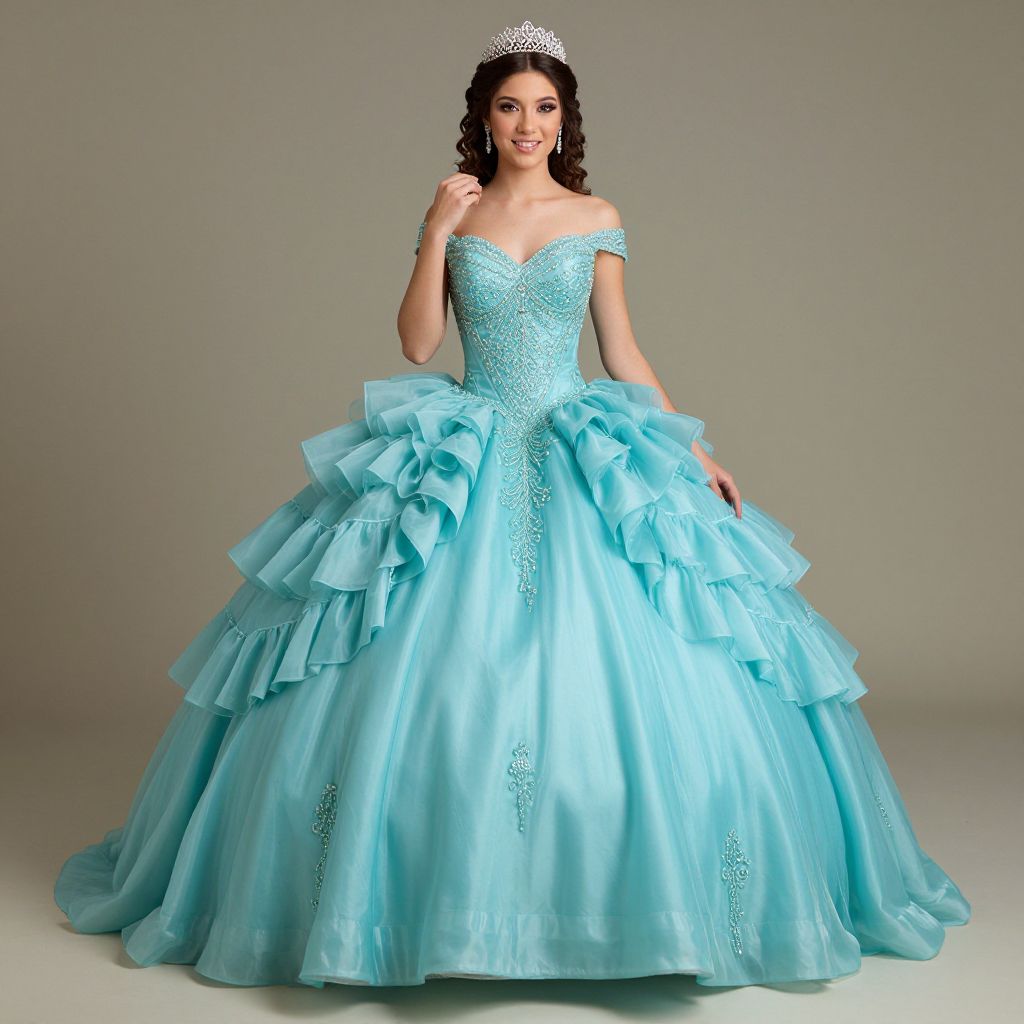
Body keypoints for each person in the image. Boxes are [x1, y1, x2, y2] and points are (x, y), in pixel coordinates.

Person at [54, 19, 970, 989]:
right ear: (482, 118)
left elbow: (621, 350)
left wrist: (694, 449)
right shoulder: (457, 212)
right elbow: (417, 345)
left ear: (565, 119)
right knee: (398, 653)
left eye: (543, 107)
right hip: (469, 439)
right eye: (508, 106)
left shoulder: (595, 215)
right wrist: (434, 233)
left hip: (577, 435)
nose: (527, 124)